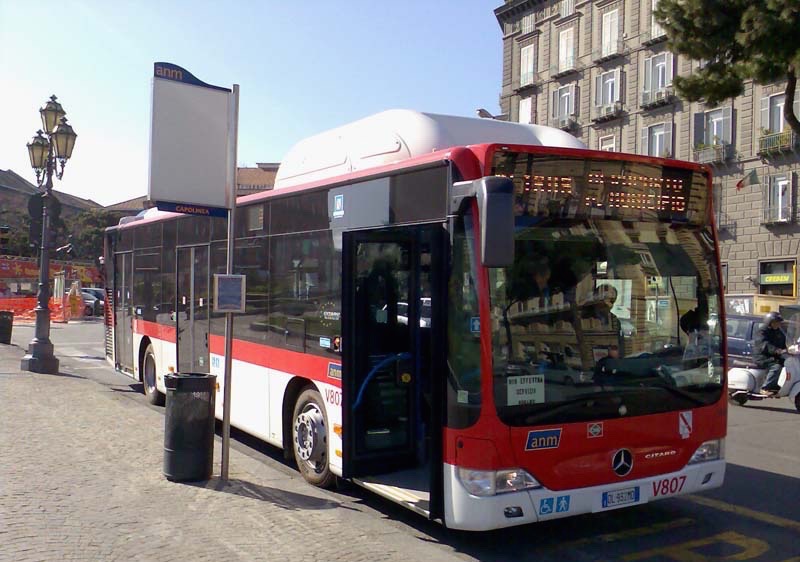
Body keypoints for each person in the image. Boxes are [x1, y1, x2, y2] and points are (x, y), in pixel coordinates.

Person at [754, 311, 787, 394]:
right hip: (762, 357)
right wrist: (777, 350)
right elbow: (764, 345)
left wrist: (789, 348)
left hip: (773, 356)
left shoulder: (778, 331)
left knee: (786, 364)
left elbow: (784, 341)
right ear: (769, 322)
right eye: (776, 322)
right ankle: (764, 388)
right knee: (776, 367)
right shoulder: (762, 331)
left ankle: (776, 386)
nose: (778, 324)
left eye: (779, 322)